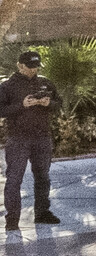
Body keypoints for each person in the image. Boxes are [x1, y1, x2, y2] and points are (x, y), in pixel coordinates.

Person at [1, 50, 61, 230]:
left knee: (43, 177)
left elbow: (59, 103)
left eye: (36, 67)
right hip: (18, 139)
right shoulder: (7, 86)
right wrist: (22, 105)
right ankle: (12, 220)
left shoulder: (45, 82)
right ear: (20, 65)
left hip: (42, 137)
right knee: (14, 179)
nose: (33, 71)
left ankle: (42, 213)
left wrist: (48, 103)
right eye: (29, 67)